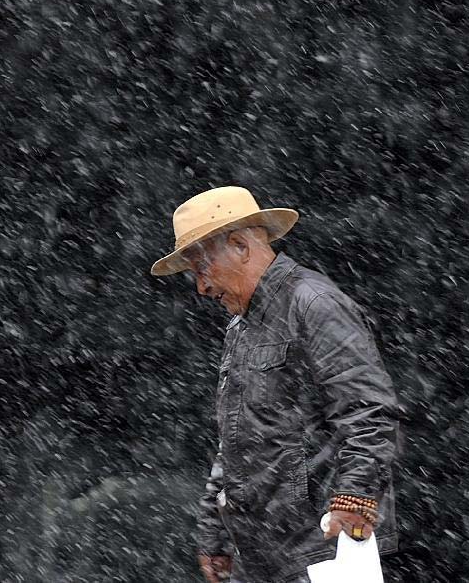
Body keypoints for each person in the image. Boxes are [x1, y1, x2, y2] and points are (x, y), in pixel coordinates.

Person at [150, 186, 401, 583]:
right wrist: (214, 531)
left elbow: (369, 409)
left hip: (325, 547)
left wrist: (354, 496)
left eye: (201, 269)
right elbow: (236, 439)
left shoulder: (315, 303)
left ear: (239, 245)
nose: (201, 287)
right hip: (264, 552)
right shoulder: (242, 324)